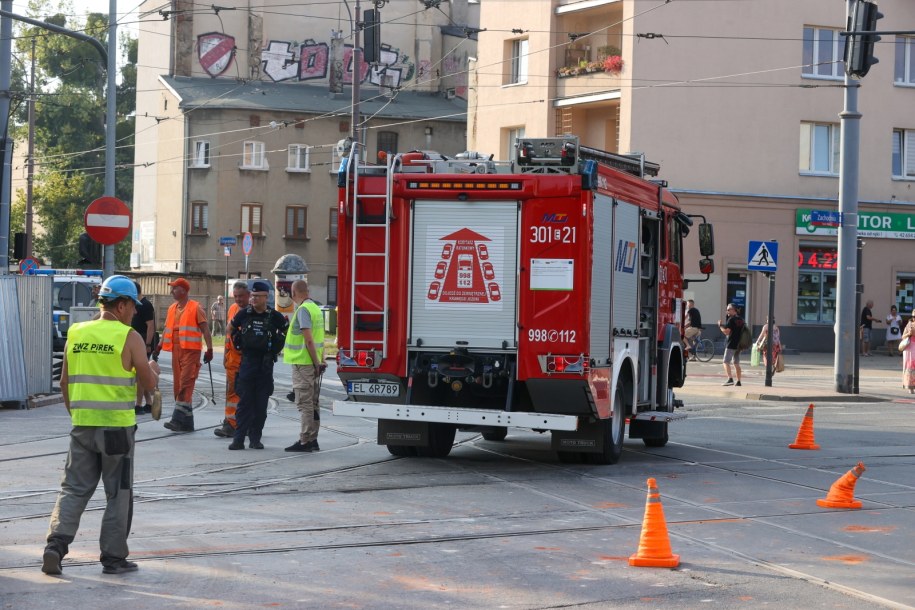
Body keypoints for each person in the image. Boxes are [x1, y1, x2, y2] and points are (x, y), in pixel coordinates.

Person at [42, 275, 160, 576]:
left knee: (73, 489)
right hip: (117, 431)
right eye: (132, 305)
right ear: (121, 305)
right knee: (118, 494)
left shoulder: (77, 332)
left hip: (82, 426)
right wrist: (153, 372)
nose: (134, 311)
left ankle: (55, 546)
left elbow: (64, 382)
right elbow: (148, 385)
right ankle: (113, 557)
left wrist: (78, 415)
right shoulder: (128, 336)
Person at [228, 280, 288, 450]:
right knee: (244, 403)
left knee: (261, 406)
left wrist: (277, 345)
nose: (253, 299)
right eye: (252, 296)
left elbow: (286, 331)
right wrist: (236, 342)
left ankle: (255, 439)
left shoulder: (273, 316)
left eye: (257, 296)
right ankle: (238, 439)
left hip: (265, 365)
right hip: (247, 363)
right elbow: (230, 328)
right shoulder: (244, 314)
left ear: (265, 297)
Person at [158, 278, 213, 432]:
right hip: (176, 350)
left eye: (174, 288)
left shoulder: (195, 307)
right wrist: (159, 346)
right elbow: (166, 330)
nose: (171, 291)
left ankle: (176, 420)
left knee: (186, 383)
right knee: (178, 386)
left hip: (191, 351)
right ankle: (188, 423)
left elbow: (205, 329)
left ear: (183, 290)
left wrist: (210, 349)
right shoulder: (171, 309)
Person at [284, 280, 326, 452]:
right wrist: (320, 362)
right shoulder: (315, 308)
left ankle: (305, 440)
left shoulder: (302, 310)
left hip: (303, 364)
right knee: (313, 403)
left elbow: (309, 339)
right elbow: (318, 338)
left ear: (294, 293)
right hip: (313, 363)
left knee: (305, 404)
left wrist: (316, 363)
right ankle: (313, 438)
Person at [214, 281, 251, 438]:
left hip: (245, 361)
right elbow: (228, 336)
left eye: (241, 296)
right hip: (232, 360)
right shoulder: (232, 309)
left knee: (243, 394)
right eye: (235, 296)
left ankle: (239, 424)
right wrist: (224, 355)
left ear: (248, 295)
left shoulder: (252, 312)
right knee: (231, 393)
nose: (238, 299)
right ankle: (231, 423)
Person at [131, 281, 157, 414]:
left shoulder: (146, 305)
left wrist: (147, 344)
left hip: (143, 342)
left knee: (140, 374)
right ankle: (149, 403)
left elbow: (150, 326)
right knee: (140, 374)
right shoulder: (136, 304)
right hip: (137, 340)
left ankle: (139, 404)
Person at [718, 303, 745, 386]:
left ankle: (730, 379)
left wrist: (720, 326)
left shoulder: (731, 319)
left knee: (725, 362)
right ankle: (739, 381)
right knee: (736, 363)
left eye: (729, 309)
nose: (727, 311)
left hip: (732, 344)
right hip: (739, 344)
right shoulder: (741, 319)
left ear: (734, 310)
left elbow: (727, 332)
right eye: (727, 309)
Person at [902, 315, 915, 394]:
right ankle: (910, 386)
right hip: (910, 349)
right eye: (914, 316)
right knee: (910, 367)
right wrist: (909, 334)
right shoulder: (909, 325)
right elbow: (903, 336)